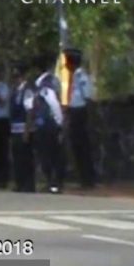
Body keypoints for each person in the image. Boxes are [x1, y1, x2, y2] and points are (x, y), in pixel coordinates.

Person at [66, 48, 96, 188]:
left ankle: (88, 179)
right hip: (73, 113)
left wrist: (89, 119)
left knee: (83, 147)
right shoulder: (71, 77)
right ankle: (82, 178)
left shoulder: (81, 76)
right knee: (76, 147)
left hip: (80, 113)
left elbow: (88, 98)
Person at [35, 55, 65, 193]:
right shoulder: (47, 81)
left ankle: (54, 184)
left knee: (50, 155)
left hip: (49, 124)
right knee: (48, 154)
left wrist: (59, 121)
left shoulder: (46, 83)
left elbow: (53, 103)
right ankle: (52, 182)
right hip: (45, 124)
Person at [10, 63, 36, 192]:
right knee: (17, 157)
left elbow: (30, 111)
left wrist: (27, 130)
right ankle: (19, 182)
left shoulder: (27, 91)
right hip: (15, 129)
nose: (16, 79)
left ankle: (28, 184)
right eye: (14, 76)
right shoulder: (15, 91)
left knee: (26, 157)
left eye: (18, 76)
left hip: (24, 129)